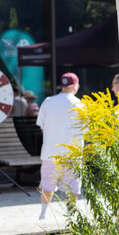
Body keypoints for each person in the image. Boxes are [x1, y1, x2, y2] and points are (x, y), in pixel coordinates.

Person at [36, 72, 85, 219]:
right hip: (72, 153)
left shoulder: (48, 101)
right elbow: (86, 131)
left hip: (50, 152)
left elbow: (42, 127)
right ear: (75, 86)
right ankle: (70, 215)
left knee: (47, 184)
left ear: (62, 86)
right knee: (72, 187)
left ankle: (43, 213)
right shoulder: (80, 105)